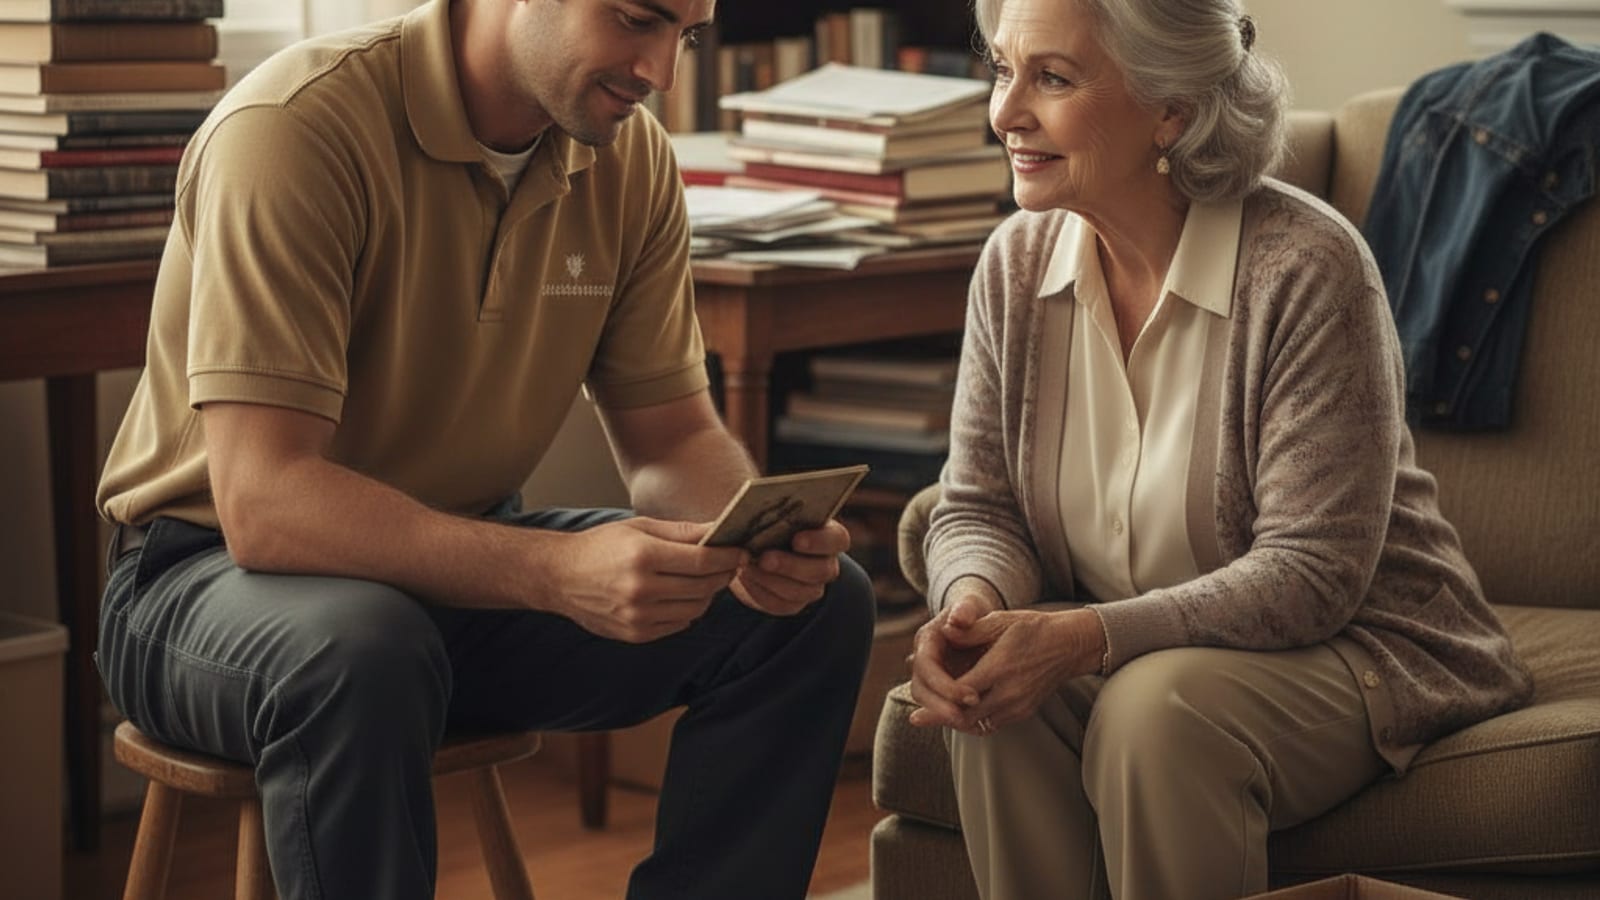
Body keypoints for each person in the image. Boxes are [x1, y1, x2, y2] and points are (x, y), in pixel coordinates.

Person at [94, 0, 875, 897]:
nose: (662, 72)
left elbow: (671, 437)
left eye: (686, 37)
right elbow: (267, 504)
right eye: (636, 19)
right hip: (204, 581)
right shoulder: (294, 129)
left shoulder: (630, 160)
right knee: (364, 651)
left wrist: (749, 542)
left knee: (813, 610)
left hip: (455, 579)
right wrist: (552, 571)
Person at [903, 1, 1532, 898]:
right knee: (997, 707)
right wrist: (973, 608)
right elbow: (979, 504)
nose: (1003, 114)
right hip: (1136, 654)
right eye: (1004, 70)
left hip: (1361, 647)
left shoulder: (1307, 268)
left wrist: (1087, 637)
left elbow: (1313, 573)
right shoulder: (1013, 264)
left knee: (1155, 716)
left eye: (1053, 77)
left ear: (1174, 109)